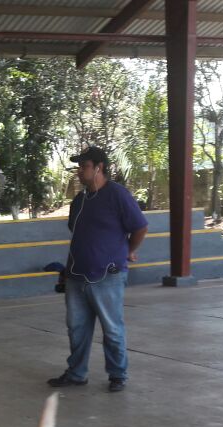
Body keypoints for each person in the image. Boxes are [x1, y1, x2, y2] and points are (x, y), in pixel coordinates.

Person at [48, 146, 148, 393]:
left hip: (107, 276)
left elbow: (140, 227)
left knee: (112, 329)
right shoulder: (80, 201)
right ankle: (77, 373)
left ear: (99, 167)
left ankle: (117, 375)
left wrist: (127, 251)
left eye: (84, 166)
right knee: (77, 328)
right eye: (78, 167)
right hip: (76, 276)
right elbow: (78, 232)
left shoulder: (117, 195)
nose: (79, 171)